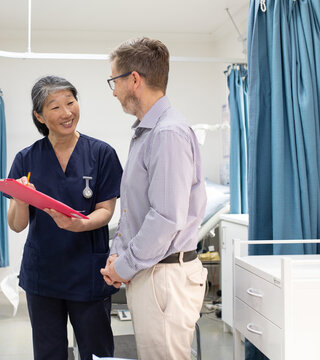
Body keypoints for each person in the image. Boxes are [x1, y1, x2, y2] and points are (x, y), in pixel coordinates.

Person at [100, 37, 208, 359]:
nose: (114, 91)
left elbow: (165, 218)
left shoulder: (167, 133)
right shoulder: (147, 132)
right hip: (151, 272)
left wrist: (125, 266)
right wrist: (118, 255)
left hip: (165, 277)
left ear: (134, 80)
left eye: (114, 82)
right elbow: (138, 210)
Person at [6, 75, 123, 360]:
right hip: (43, 274)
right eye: (55, 106)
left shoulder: (102, 154)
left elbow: (106, 211)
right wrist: (21, 199)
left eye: (70, 102)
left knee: (97, 351)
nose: (67, 112)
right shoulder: (26, 158)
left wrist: (80, 224)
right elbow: (17, 225)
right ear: (40, 115)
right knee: (48, 353)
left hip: (88, 271)